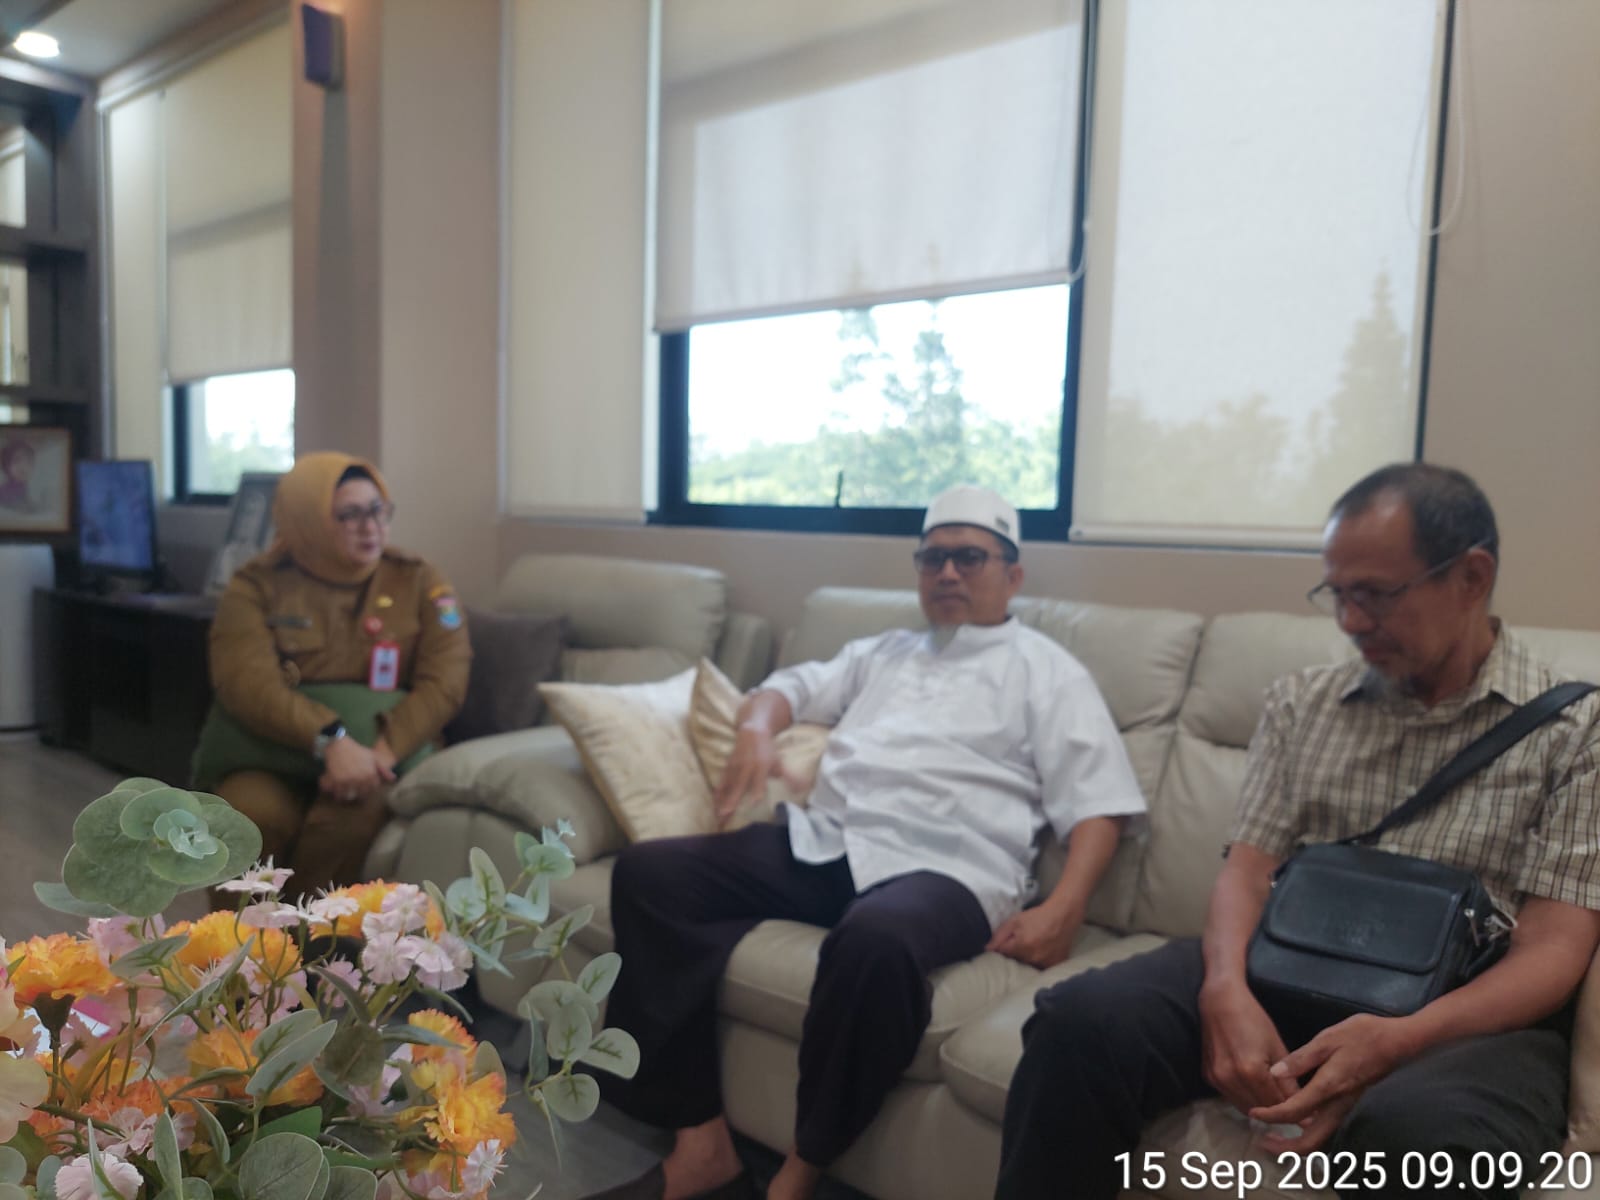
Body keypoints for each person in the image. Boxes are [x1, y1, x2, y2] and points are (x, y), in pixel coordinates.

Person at [994, 463, 1600, 1200]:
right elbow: (1248, 872)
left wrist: (1400, 1042)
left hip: (1466, 1016)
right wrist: (1224, 990)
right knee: (1079, 1023)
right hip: (1289, 963)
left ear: (1472, 577)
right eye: (1337, 594)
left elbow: (1554, 949)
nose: (1351, 621)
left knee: (1422, 1135)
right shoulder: (1301, 703)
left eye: (1375, 594)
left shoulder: (1577, 729)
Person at [595, 485, 1147, 1200]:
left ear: (1012, 574)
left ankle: (800, 1169)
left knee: (875, 942)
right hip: (832, 842)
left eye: (969, 557)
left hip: (952, 868)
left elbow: (1100, 805)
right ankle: (702, 1143)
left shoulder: (1047, 670)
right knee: (650, 874)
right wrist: (757, 729)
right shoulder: (885, 651)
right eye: (933, 558)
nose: (947, 572)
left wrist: (1066, 908)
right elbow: (789, 688)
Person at [202, 451, 471, 898]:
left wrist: (380, 755)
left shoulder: (419, 580)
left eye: (378, 510)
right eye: (349, 515)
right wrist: (331, 740)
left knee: (352, 821)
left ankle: (309, 939)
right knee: (249, 818)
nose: (371, 527)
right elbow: (247, 684)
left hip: (378, 758)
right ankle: (236, 941)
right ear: (307, 521)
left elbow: (446, 681)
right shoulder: (256, 584)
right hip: (271, 754)